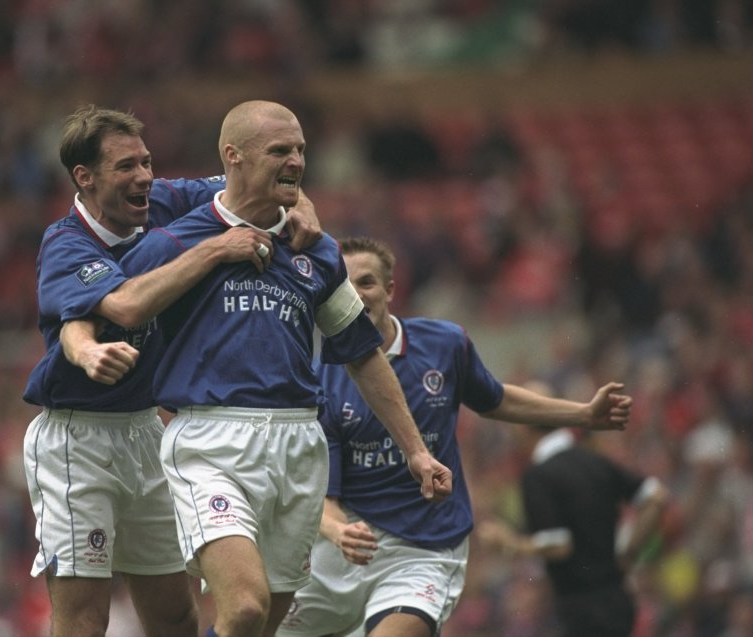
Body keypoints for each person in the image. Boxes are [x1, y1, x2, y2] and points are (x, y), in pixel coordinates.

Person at [115, 100, 453, 637]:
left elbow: (363, 353)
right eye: (279, 150)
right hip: (210, 441)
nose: (296, 160)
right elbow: (115, 305)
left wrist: (415, 450)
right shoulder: (176, 240)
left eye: (300, 149)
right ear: (234, 156)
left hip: (298, 445)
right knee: (243, 606)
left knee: (263, 625)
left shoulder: (316, 252)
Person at [21, 104, 321, 637]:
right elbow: (110, 313)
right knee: (85, 620)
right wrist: (89, 354)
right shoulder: (66, 244)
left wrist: (305, 207)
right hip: (77, 438)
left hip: (147, 433)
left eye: (146, 162)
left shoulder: (161, 200)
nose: (143, 177)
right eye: (125, 167)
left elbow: (259, 178)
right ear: (85, 179)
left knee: (177, 617)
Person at [276, 236, 635, 637]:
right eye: (345, 286)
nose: (357, 296)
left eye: (367, 283)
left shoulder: (443, 345)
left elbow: (494, 399)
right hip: (346, 546)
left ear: (390, 290)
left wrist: (583, 414)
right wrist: (340, 532)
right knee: (249, 620)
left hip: (423, 549)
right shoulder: (318, 380)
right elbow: (325, 498)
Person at [477, 380, 669, 637]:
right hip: (618, 599)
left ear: (523, 424)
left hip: (582, 610)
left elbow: (558, 545)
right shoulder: (595, 461)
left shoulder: (538, 476)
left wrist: (509, 543)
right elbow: (655, 497)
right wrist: (627, 554)